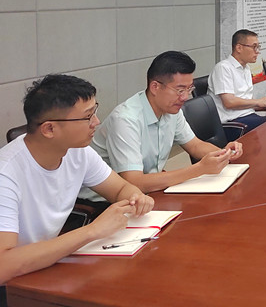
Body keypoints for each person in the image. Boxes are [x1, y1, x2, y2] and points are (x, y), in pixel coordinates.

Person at [0, 75, 155, 285]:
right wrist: (92, 231)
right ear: (49, 129)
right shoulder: (6, 174)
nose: (96, 122)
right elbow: (4, 265)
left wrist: (136, 198)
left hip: (45, 267)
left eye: (95, 112)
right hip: (14, 284)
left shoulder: (77, 151)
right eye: (87, 117)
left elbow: (120, 189)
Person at [85, 51, 243, 195]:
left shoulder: (172, 110)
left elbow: (195, 146)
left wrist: (223, 153)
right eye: (180, 90)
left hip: (149, 190)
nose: (185, 97)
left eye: (189, 89)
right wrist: (199, 169)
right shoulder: (126, 120)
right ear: (155, 87)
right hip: (104, 202)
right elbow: (134, 182)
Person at [209, 29, 266, 140]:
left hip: (248, 117)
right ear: (239, 48)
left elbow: (246, 103)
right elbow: (229, 102)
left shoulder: (246, 69)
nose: (257, 52)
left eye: (258, 47)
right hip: (233, 123)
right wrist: (258, 102)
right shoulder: (223, 68)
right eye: (254, 47)